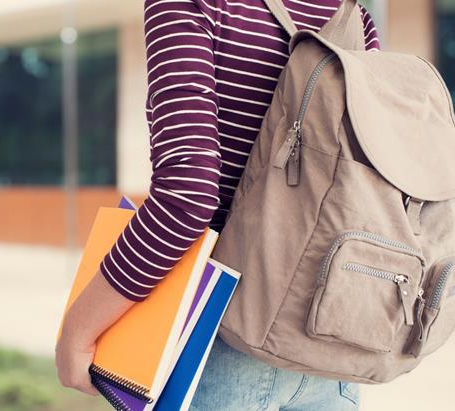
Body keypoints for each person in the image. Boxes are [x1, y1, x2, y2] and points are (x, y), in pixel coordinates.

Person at [56, 0, 380, 409]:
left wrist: (78, 329)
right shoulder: (352, 15)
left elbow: (187, 199)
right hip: (329, 345)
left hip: (220, 341)